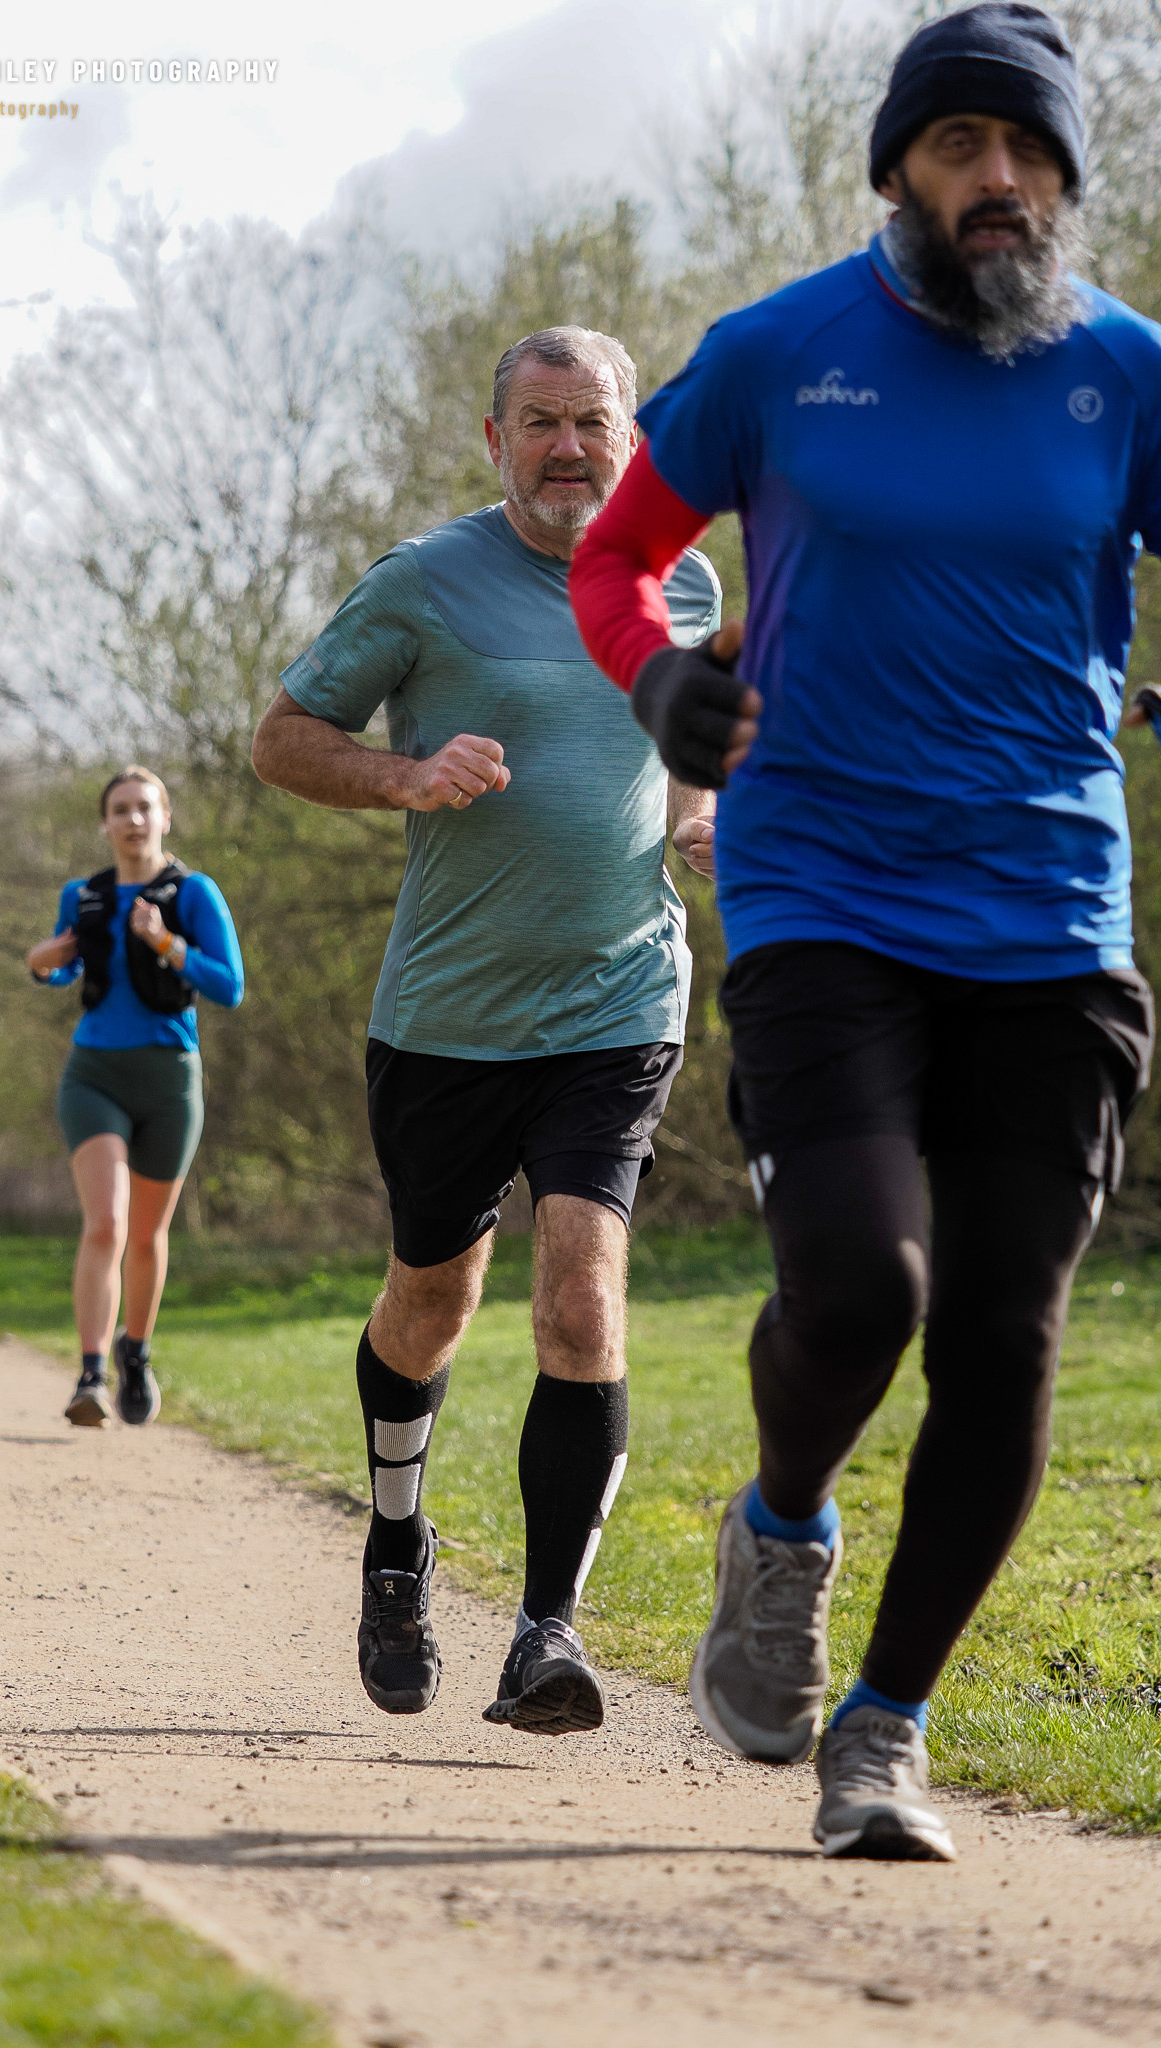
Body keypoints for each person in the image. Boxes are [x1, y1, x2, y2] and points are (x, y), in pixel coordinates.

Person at [569, 2, 1157, 1859]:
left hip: (1052, 913)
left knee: (1004, 1332)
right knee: (862, 1282)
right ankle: (783, 1525)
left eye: (1032, 150)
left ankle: (884, 1727)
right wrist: (658, 681)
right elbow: (617, 552)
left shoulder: (1127, 370)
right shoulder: (778, 353)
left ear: (1066, 180)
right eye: (963, 143)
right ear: (898, 166)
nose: (1001, 178)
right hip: (824, 891)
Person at [253, 326, 721, 1736]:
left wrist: (704, 813)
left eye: (592, 420)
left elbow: (696, 753)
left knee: (581, 1297)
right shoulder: (423, 581)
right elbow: (282, 738)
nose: (568, 447)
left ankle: (546, 1630)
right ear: (494, 436)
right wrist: (405, 776)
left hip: (619, 1000)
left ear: (631, 433)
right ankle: (397, 1538)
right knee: (432, 1303)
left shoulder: (686, 584)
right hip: (448, 1019)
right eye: (541, 422)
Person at [27, 767, 244, 1428]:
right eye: (120, 809)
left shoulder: (194, 893)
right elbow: (64, 967)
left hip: (170, 1080)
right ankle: (91, 1374)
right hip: (94, 1075)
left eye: (145, 808)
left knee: (146, 1236)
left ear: (166, 817)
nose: (133, 820)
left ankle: (136, 1353)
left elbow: (229, 985)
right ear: (105, 823)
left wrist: (165, 942)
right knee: (106, 1224)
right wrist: (43, 962)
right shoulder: (83, 895)